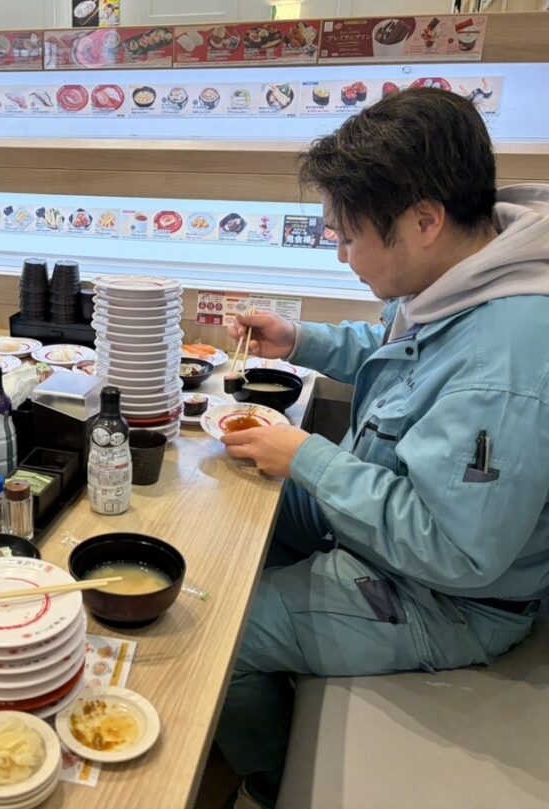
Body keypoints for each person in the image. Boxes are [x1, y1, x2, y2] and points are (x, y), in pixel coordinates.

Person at [213, 88, 549, 809]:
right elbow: (397, 349)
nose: (343, 256)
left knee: (222, 636)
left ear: (424, 221)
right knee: (231, 505)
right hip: (380, 519)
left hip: (450, 600)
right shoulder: (468, 268)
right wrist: (300, 341)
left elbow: (457, 552)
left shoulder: (504, 365)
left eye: (348, 236)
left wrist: (307, 456)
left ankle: (266, 784)